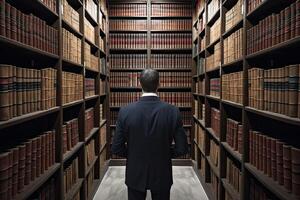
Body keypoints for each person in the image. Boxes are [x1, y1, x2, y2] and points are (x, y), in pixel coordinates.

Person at [111, 69, 188, 200]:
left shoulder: (125, 111)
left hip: (135, 173)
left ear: (139, 84)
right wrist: (165, 153)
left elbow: (116, 147)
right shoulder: (173, 111)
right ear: (159, 85)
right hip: (162, 172)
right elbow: (182, 148)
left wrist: (133, 153)